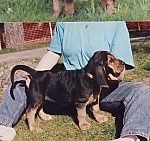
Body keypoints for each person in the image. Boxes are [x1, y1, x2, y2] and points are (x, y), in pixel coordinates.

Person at [0, 21, 149, 141]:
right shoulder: (64, 22)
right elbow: (53, 53)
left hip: (106, 87)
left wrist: (118, 75)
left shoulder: (116, 23)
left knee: (142, 90)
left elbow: (120, 64)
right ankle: (3, 125)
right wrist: (35, 77)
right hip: (67, 88)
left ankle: (130, 136)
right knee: (20, 84)